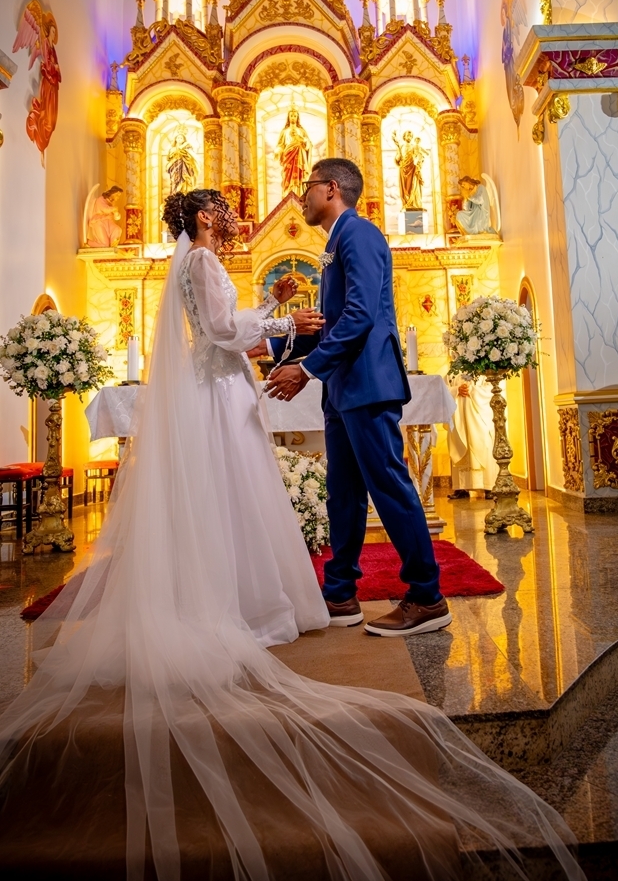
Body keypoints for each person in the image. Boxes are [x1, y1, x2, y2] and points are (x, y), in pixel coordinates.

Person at [0, 188, 586, 881]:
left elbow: (273, 327)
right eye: (217, 209)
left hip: (261, 384)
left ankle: (365, 593)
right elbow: (227, 334)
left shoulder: (312, 243)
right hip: (224, 387)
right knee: (248, 496)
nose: (229, 214)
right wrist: (283, 318)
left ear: (329, 190)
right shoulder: (203, 263)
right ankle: (276, 599)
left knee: (273, 496)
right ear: (199, 219)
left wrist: (291, 338)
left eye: (227, 209)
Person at [266, 158, 450, 638]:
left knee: (389, 485)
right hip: (345, 388)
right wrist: (271, 342)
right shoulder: (335, 242)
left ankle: (427, 597)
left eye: (307, 188)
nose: (301, 195)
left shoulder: (359, 234)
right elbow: (330, 323)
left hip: (367, 383)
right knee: (343, 493)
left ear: (330, 189)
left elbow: (361, 315)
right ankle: (341, 593)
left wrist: (306, 370)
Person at [447, 377, 498, 499]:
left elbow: (491, 389)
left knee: (483, 444)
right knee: (458, 444)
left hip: (478, 416)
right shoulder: (453, 373)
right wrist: (456, 390)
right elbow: (443, 390)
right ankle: (461, 487)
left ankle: (488, 486)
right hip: (459, 416)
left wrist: (472, 390)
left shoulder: (482, 371)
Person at [276, 107, 313, 196]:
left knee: (300, 175)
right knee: (288, 175)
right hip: (288, 156)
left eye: (295, 116)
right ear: (288, 117)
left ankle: (299, 192)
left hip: (300, 156)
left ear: (297, 118)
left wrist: (303, 141)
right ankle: (288, 191)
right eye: (291, 116)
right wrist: (278, 151)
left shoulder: (301, 131)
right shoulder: (285, 132)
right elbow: (281, 145)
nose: (293, 117)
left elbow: (308, 143)